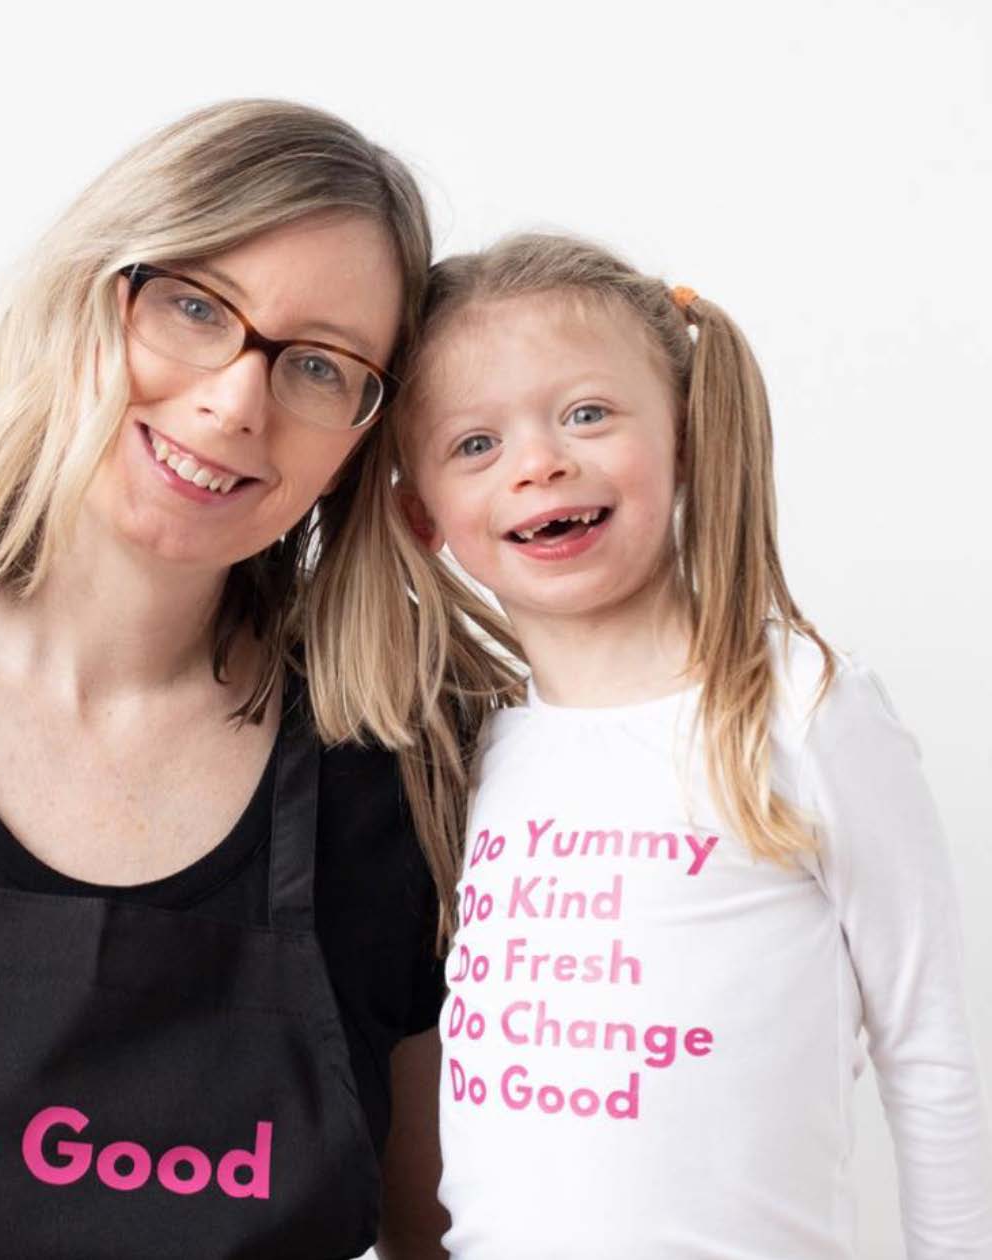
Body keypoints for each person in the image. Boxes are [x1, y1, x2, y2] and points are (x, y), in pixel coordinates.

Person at [0, 100, 453, 1259]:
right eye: (196, 308)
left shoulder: (402, 765)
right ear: (87, 292)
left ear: (365, 436)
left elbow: (450, 1242)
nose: (233, 400)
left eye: (319, 364)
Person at [382, 233, 992, 1257]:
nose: (539, 462)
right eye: (474, 444)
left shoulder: (800, 707)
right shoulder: (478, 754)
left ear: (687, 438)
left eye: (586, 413)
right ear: (424, 516)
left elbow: (925, 1052)